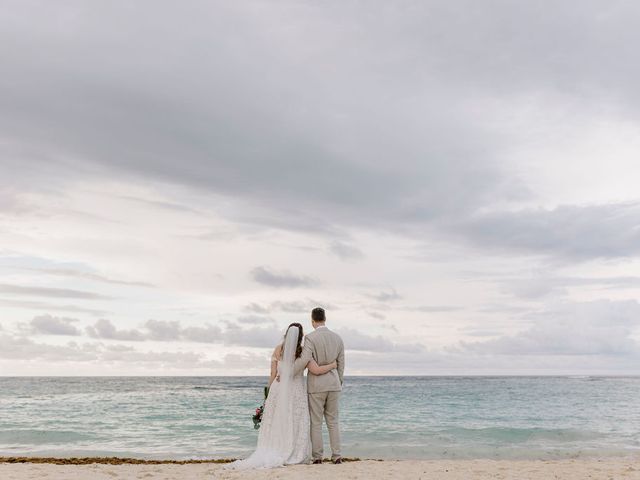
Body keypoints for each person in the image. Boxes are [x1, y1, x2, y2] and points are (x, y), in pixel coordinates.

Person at [226, 322, 336, 469]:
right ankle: (293, 451)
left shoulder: (278, 350)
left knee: (276, 421)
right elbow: (315, 370)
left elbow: (273, 374)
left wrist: (268, 394)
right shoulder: (303, 352)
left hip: (277, 390)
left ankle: (274, 448)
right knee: (294, 420)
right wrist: (332, 365)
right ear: (301, 336)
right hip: (295, 390)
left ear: (286, 334)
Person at [294, 307, 345, 464]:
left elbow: (304, 360)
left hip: (316, 386)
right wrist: (339, 381)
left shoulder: (310, 338)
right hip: (334, 384)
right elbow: (341, 364)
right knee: (333, 421)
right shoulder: (338, 338)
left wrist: (290, 373)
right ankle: (337, 456)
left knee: (316, 422)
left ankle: (318, 457)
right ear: (325, 318)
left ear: (312, 320)